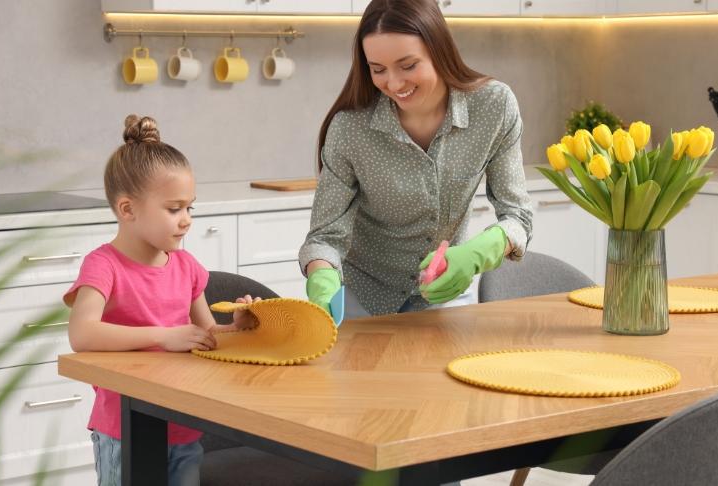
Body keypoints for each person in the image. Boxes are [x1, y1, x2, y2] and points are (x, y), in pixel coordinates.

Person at [299, 0, 533, 318]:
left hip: (445, 291)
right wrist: (322, 277)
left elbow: (517, 216)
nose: (393, 84)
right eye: (377, 69)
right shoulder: (350, 128)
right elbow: (325, 236)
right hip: (363, 296)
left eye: (408, 65)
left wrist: (478, 253)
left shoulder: (493, 107)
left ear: (439, 50)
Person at [64, 114, 260, 486]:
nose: (186, 220)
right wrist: (163, 335)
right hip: (126, 430)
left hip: (183, 429)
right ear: (127, 209)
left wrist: (237, 328)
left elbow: (207, 338)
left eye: (190, 208)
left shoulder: (187, 267)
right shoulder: (103, 265)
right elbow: (82, 334)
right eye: (174, 209)